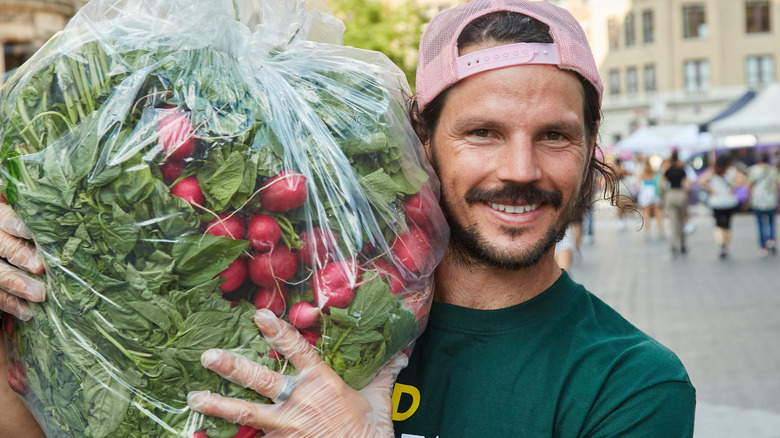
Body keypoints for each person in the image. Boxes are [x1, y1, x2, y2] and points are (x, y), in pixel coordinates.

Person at [3, 1, 697, 436]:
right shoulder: (307, 294)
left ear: (590, 147)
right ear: (419, 141)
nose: (520, 168)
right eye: (482, 132)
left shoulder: (628, 383)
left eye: (555, 135)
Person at [699, 154, 747, 259]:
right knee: (727, 225)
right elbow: (743, 180)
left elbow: (701, 181)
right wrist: (734, 186)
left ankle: (720, 244)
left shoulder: (713, 171)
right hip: (729, 201)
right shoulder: (732, 171)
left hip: (717, 202)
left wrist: (711, 189)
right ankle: (726, 246)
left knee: (718, 224)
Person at [747, 153, 778, 256]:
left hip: (758, 200)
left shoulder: (753, 170)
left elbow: (750, 186)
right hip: (770, 199)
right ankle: (771, 240)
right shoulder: (773, 169)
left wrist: (749, 199)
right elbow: (776, 186)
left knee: (760, 224)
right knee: (771, 222)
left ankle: (763, 246)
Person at [663, 150, 691, 256]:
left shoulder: (668, 171)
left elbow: (663, 184)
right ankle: (683, 245)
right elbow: (687, 185)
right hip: (680, 194)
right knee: (682, 221)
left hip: (671, 195)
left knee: (672, 222)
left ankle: (673, 245)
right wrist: (687, 194)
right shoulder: (682, 170)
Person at [637, 156, 664, 238]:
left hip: (646, 194)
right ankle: (661, 230)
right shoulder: (654, 173)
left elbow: (637, 184)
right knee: (657, 213)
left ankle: (647, 230)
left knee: (646, 213)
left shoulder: (642, 174)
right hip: (655, 193)